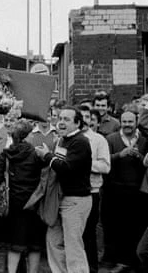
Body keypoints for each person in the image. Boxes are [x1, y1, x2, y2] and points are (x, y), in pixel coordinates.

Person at [35, 106, 92, 273]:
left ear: (77, 123)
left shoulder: (80, 142)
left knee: (73, 246)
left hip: (76, 201)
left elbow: (66, 167)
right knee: (53, 241)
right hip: (60, 200)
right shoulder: (62, 140)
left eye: (66, 119)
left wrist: (47, 155)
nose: (61, 122)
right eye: (60, 118)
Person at [0, 119, 46, 273]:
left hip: (14, 203)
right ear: (28, 136)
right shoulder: (36, 153)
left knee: (15, 244)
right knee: (35, 245)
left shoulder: (7, 153)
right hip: (34, 203)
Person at [101, 111, 148, 272]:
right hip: (115, 190)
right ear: (120, 122)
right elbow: (105, 160)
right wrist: (120, 155)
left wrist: (138, 156)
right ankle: (116, 261)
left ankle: (132, 262)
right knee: (116, 226)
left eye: (130, 121)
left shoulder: (143, 141)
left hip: (136, 191)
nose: (127, 124)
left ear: (136, 122)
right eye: (124, 121)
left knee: (135, 227)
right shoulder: (111, 139)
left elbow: (146, 163)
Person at [78, 105, 111, 273]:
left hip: (91, 192)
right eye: (81, 116)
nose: (84, 120)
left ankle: (91, 268)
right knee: (75, 235)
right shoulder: (68, 139)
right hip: (71, 193)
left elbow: (105, 167)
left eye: (87, 116)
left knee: (89, 233)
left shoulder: (98, 140)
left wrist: (85, 164)